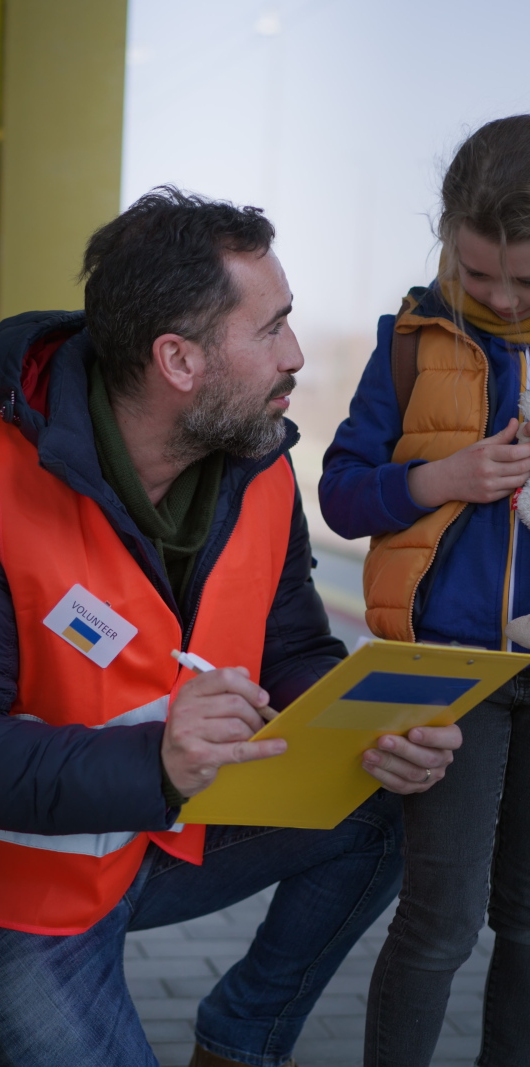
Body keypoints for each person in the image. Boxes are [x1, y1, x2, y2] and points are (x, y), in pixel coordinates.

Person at [0, 187, 459, 1067]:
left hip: (158, 832)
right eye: (271, 328)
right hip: (2, 893)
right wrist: (156, 762)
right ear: (177, 360)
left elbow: (290, 648)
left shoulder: (258, 463)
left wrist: (366, 726)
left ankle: (240, 1044)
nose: (295, 354)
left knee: (389, 805)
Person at [319, 115, 530, 1067]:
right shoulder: (407, 340)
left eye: (523, 282)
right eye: (475, 271)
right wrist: (440, 479)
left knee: (529, 923)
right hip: (446, 673)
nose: (496, 298)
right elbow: (340, 490)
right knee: (440, 925)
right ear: (445, 234)